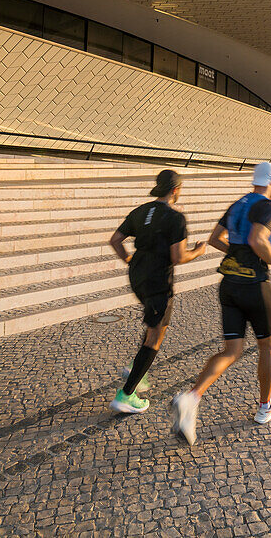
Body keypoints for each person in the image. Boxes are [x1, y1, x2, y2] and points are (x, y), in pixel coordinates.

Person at [171, 162, 271, 445]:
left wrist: (237, 253)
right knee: (267, 347)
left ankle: (191, 398)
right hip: (255, 287)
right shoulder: (269, 206)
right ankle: (265, 407)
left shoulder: (237, 204)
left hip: (229, 286)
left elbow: (215, 239)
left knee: (231, 350)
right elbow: (258, 239)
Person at [108, 169, 206, 414]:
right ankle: (126, 395)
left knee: (156, 326)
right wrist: (199, 251)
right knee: (155, 337)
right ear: (175, 190)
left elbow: (115, 239)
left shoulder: (141, 210)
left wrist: (130, 260)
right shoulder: (175, 218)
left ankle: (136, 370)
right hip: (158, 280)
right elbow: (178, 256)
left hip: (137, 275)